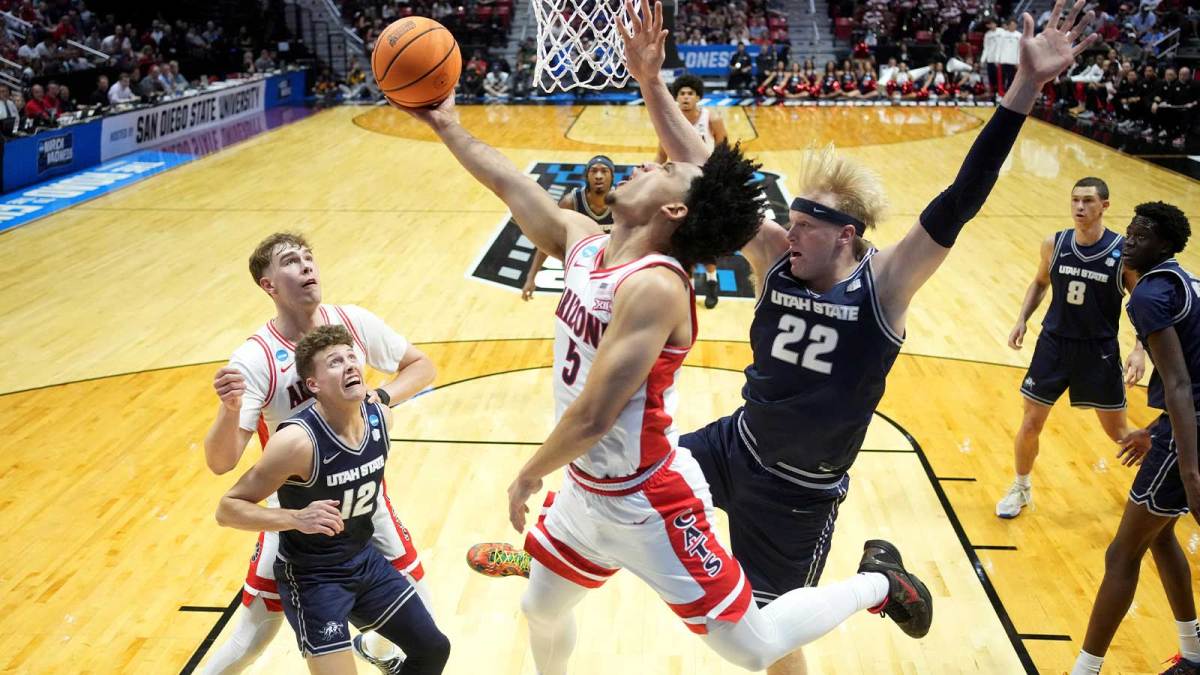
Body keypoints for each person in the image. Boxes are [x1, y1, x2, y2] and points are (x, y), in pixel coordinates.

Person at [467, 3, 1104, 674]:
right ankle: (555, 551)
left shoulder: (887, 284)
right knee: (619, 481)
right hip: (735, 443)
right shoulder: (777, 256)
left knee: (767, 642)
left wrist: (1024, 88)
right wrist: (651, 81)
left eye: (804, 225)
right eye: (789, 220)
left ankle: (884, 581)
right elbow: (706, 167)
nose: (785, 231)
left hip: (801, 487)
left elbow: (961, 197)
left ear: (845, 235)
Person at [416, 3, 936, 672]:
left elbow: (597, 411)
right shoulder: (582, 241)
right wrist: (448, 125)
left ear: (672, 209)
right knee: (540, 610)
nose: (642, 165)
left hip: (646, 499)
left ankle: (880, 584)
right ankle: (557, 559)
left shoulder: (658, 285)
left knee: (754, 647)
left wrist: (526, 473)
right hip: (584, 490)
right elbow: (510, 181)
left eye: (659, 170)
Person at [201, 233, 437, 675]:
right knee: (257, 630)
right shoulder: (256, 359)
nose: (308, 266)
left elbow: (422, 365)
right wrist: (228, 412)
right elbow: (222, 462)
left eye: (310, 258)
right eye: (292, 261)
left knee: (422, 614)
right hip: (297, 511)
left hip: (364, 499)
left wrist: (380, 397)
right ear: (268, 285)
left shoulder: (352, 324)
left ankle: (383, 654)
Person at [1070, 201, 1200, 675]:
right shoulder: (1182, 280)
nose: (1128, 241)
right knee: (1161, 535)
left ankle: (1085, 669)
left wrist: (1187, 465)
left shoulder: (1148, 296)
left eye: (1140, 235)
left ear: (1163, 244)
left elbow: (1183, 384)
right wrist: (1156, 427)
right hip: (1182, 424)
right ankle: (1194, 651)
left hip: (1190, 431)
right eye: (1128, 232)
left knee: (1121, 552)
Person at [997, 177, 1146, 518]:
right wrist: (1022, 318)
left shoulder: (1122, 253)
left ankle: (1171, 479)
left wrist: (1139, 348)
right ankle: (1020, 488)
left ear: (1104, 206)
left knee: (1121, 434)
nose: (1080, 207)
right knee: (1031, 422)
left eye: (1088, 201)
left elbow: (1142, 303)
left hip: (1099, 352)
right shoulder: (1055, 243)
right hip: (1054, 346)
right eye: (1075, 200)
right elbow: (1039, 282)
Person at [655, 73, 728, 309]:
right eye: (682, 93)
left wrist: (720, 177)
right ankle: (688, 286)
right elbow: (661, 154)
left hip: (704, 182)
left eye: (690, 93)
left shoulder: (712, 118)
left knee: (705, 234)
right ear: (676, 98)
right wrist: (653, 172)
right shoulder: (669, 120)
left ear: (698, 97)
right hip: (679, 182)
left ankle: (711, 280)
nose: (685, 97)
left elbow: (724, 149)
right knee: (681, 234)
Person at [521, 155, 616, 300]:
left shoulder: (621, 200)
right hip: (579, 267)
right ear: (586, 175)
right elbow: (548, 239)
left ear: (612, 176)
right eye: (594, 171)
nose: (598, 176)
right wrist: (531, 276)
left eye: (604, 171)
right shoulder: (571, 202)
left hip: (611, 265)